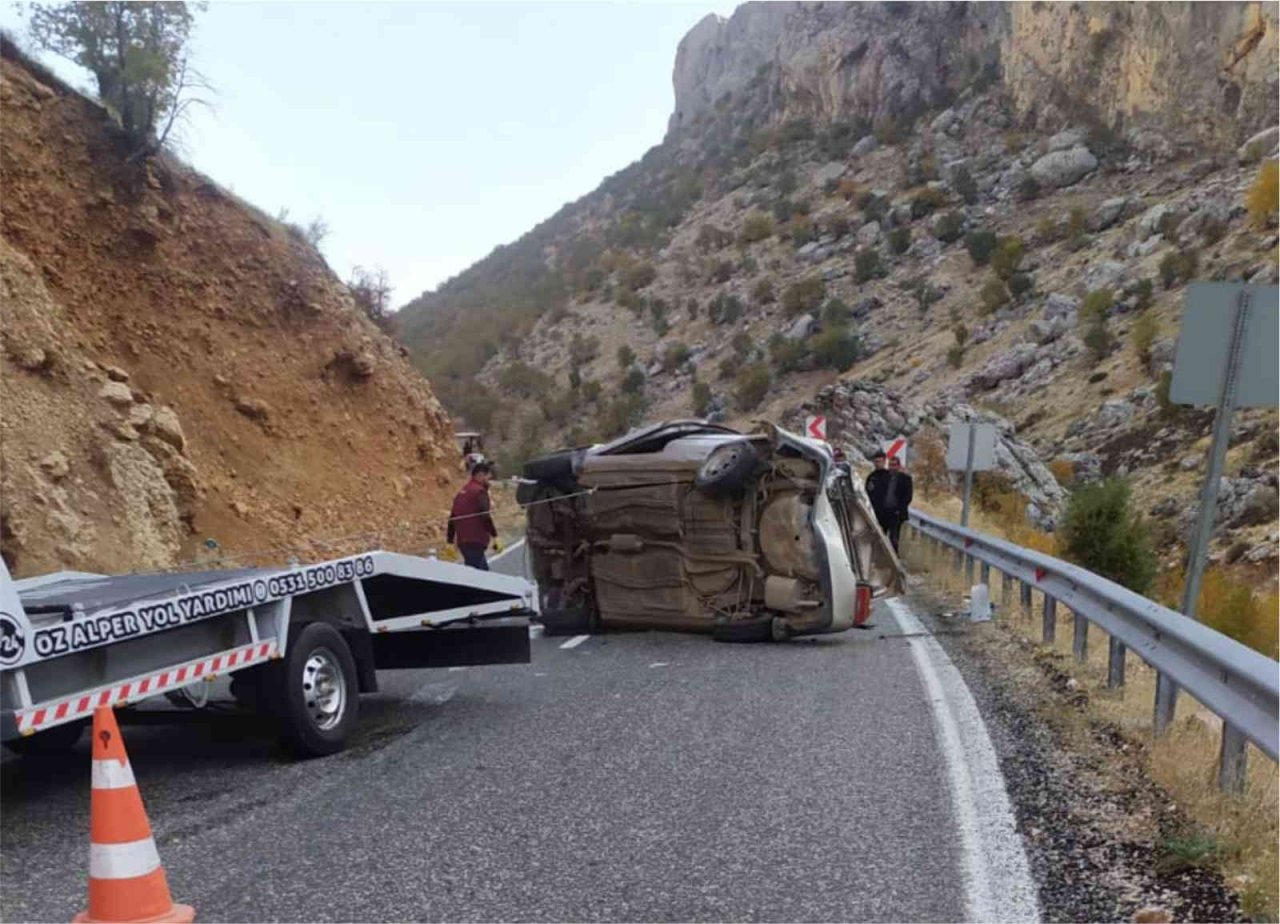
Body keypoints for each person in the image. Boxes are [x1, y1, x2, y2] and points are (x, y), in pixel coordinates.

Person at [447, 461, 498, 570]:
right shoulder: (480, 492)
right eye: (488, 477)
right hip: (476, 540)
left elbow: (453, 517)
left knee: (483, 572)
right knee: (476, 574)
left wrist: (450, 541)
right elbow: (485, 516)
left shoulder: (462, 492)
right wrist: (495, 536)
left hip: (463, 541)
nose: (489, 480)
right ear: (480, 475)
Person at [865, 450, 913, 553]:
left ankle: (894, 558)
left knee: (894, 539)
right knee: (880, 537)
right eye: (891, 465)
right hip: (882, 513)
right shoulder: (877, 477)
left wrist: (899, 509)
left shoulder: (903, 478)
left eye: (894, 465)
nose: (892, 467)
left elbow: (907, 497)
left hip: (896, 513)